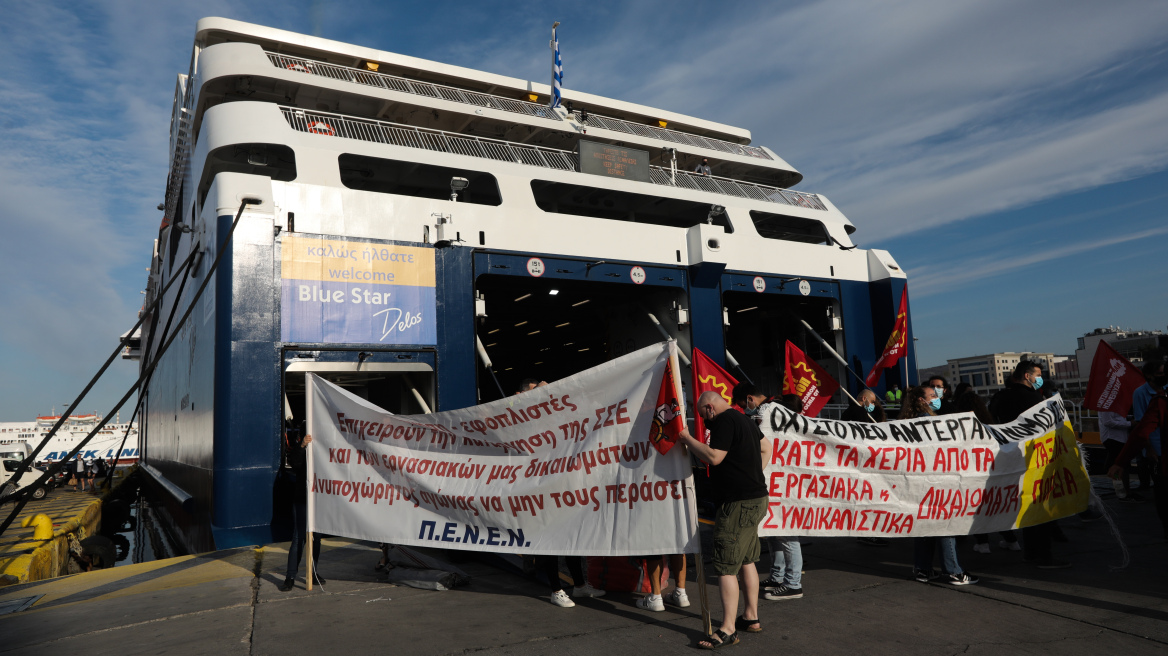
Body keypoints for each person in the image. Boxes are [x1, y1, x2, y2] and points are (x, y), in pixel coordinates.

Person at [678, 391, 771, 648]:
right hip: (755, 498)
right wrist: (752, 473)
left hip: (736, 504)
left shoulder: (724, 421)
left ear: (709, 408)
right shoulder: (744, 419)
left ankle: (728, 628)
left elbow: (714, 456)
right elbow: (767, 447)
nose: (706, 422)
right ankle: (751, 616)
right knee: (746, 559)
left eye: (703, 417)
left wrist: (687, 439)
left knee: (726, 564)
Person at [514, 378, 606, 606]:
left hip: (561, 485)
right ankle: (556, 589)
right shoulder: (525, 418)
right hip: (540, 488)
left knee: (570, 536)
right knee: (550, 539)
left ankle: (580, 585)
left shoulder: (551, 417)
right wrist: (544, 390)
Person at [990, 361, 1069, 569]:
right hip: (1035, 458)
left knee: (1027, 506)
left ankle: (1031, 552)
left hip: (1010, 458)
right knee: (1041, 507)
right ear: (1027, 376)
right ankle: (1042, 555)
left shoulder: (999, 397)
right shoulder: (1033, 398)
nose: (1039, 378)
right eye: (1038, 374)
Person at [900, 386, 978, 585]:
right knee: (946, 524)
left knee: (924, 526)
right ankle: (953, 571)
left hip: (920, 483)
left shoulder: (908, 422)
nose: (937, 398)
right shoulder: (928, 422)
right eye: (932, 396)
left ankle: (923, 569)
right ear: (921, 400)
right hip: (936, 481)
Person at [732, 383, 803, 602]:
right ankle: (777, 576)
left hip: (782, 479)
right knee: (774, 530)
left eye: (744, 405)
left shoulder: (769, 411)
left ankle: (793, 583)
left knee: (786, 532)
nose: (745, 410)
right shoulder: (774, 409)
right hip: (777, 478)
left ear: (751, 399)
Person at [955, 390, 1021, 552]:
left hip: (971, 475)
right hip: (991, 474)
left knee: (977, 510)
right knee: (995, 508)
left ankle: (983, 542)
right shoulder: (990, 426)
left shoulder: (958, 427)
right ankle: (1011, 540)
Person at [1110, 388, 1168, 537]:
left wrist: (1120, 462)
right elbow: (1141, 432)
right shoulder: (1159, 400)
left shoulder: (1161, 401)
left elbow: (1141, 431)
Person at [843, 390, 890, 546]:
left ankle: (864, 532)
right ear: (864, 399)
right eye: (873, 401)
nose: (874, 404)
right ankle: (868, 533)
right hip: (864, 461)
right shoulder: (860, 412)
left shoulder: (848, 412)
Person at [282, 426, 324, 591]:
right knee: (299, 538)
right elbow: (295, 463)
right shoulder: (302, 449)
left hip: (318, 500)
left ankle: (312, 572)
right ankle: (290, 576)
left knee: (316, 539)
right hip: (302, 499)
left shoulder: (323, 450)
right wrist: (302, 446)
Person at [1132, 359, 1165, 471]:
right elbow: (1140, 424)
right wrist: (1149, 449)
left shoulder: (1165, 389)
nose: (1163, 376)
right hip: (1156, 447)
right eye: (1159, 373)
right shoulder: (1140, 393)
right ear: (1149, 375)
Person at [1099, 410, 1137, 501]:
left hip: (1119, 438)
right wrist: (1129, 424)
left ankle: (1124, 491)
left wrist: (1128, 418)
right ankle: (1124, 493)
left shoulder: (1115, 403)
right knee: (1121, 466)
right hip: (1113, 438)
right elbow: (1108, 421)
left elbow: (1117, 418)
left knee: (1122, 465)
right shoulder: (1107, 404)